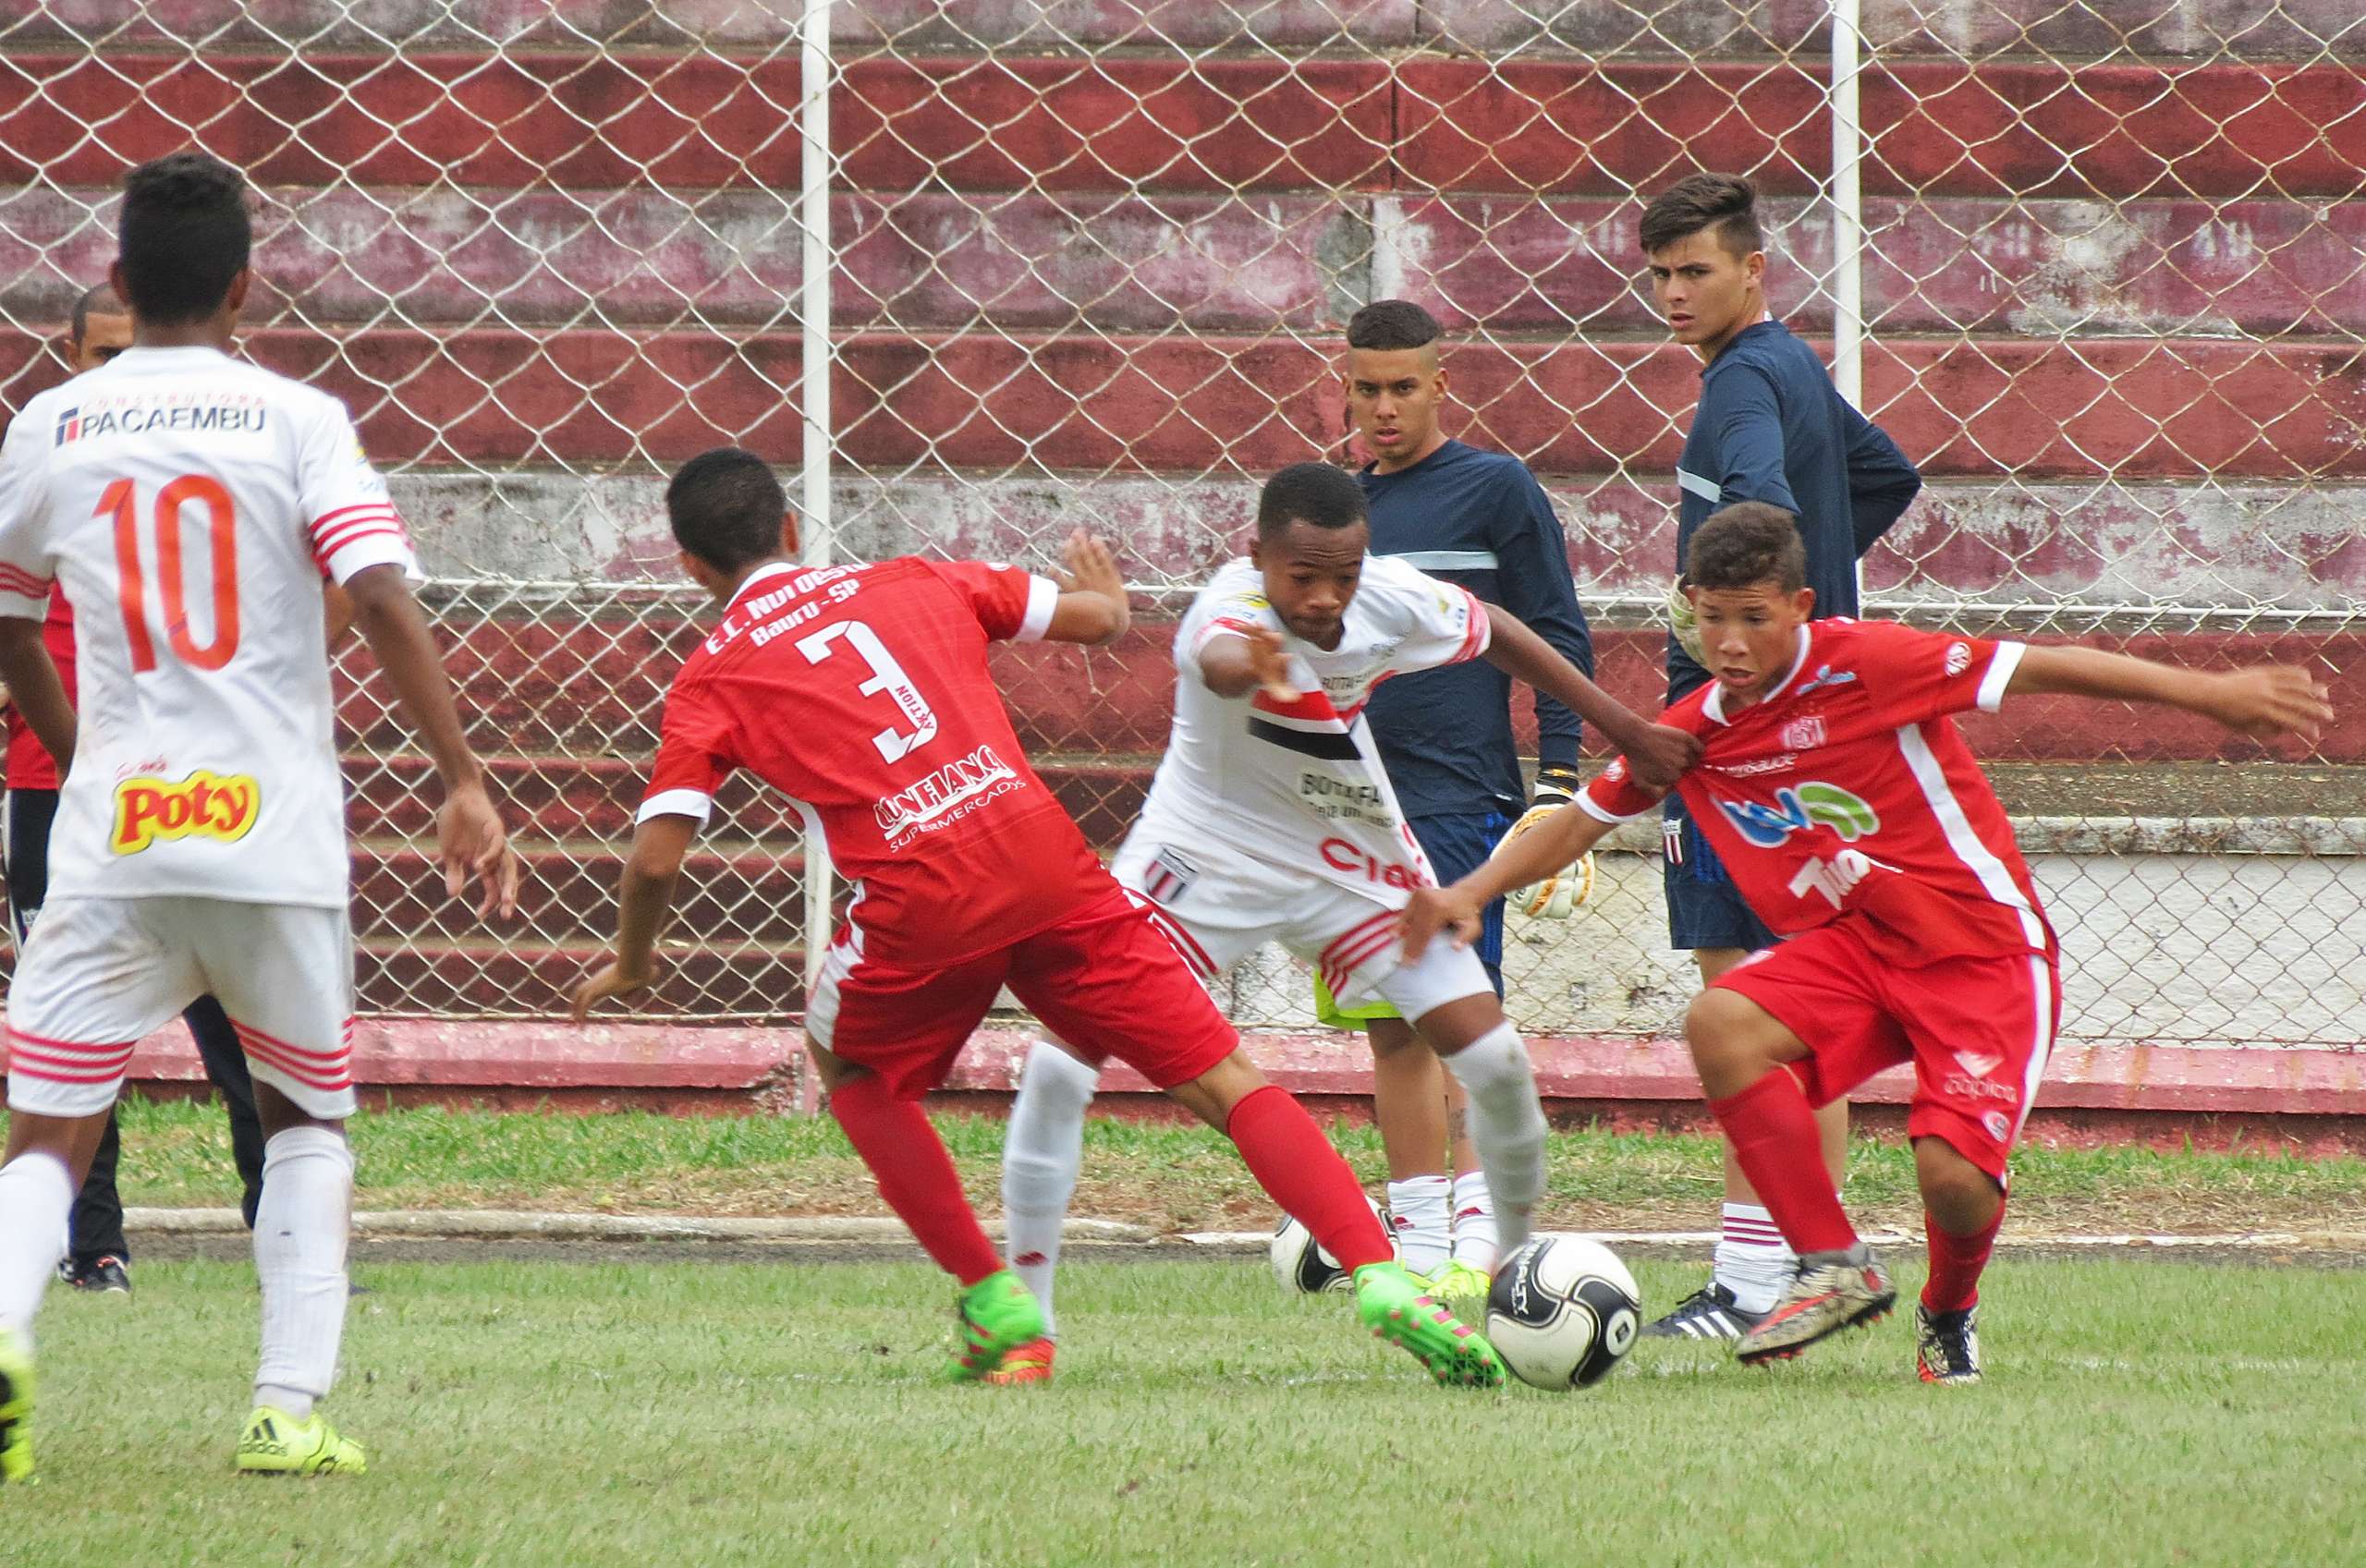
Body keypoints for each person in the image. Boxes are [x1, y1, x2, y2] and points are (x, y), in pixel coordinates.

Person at [570, 448, 1503, 1391]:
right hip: (1044, 862)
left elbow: (655, 858)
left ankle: (995, 1298)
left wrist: (634, 962)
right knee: (1223, 1077)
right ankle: (1381, 1272)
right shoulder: (916, 578)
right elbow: (1096, 619)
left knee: (849, 1067)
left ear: (691, 565)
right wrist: (1110, 601)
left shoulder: (711, 678)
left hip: (921, 898)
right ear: (790, 529)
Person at [1403, 502, 2330, 1382]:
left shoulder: (1869, 663)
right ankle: (1832, 1262)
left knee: (1951, 1177)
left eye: (1754, 618)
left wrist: (2213, 693)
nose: (1730, 642)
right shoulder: (1697, 729)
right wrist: (1470, 891)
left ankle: (1947, 1307)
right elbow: (1580, 821)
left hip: (1981, 949)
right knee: (1721, 1022)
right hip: (1859, 949)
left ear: (1799, 606)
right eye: (1712, 617)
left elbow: (2041, 666)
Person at [0, 152, 519, 1485]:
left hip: (114, 838)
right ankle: (286, 1411)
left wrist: (88, 756)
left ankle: (4, 1330)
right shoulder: (298, 419)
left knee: (49, 1127)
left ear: (118, 279)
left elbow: (8, 622)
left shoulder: (48, 425)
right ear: (244, 288)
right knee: (302, 1117)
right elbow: (382, 594)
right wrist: (462, 776)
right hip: (272, 839)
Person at [994, 462, 1699, 1379]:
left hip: (1345, 854)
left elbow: (1499, 630)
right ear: (1257, 557)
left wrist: (1626, 730)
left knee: (1492, 1060)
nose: (1325, 599)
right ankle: (1030, 1321)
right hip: (1203, 858)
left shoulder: (1389, 598)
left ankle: (1504, 1271)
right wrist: (1255, 664)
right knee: (1061, 1062)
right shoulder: (1226, 614)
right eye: (1302, 578)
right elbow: (1216, 660)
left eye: (1344, 575)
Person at [1636, 173, 1925, 1339]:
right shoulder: (1792, 363)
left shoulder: (1743, 382)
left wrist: (1728, 627)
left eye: (1695, 270)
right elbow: (1888, 476)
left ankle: (1756, 1280)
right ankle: (1801, 1265)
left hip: (1743, 734)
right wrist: (1825, 593)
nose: (1673, 292)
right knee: (1788, 1000)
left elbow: (1755, 503)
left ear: (1753, 269)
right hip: (1809, 728)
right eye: (1659, 274)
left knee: (1746, 1003)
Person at [1289, 298, 1600, 1297]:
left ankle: (1482, 1241)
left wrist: (1559, 779)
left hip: (1462, 795)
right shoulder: (1334, 509)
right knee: (1389, 1027)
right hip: (1354, 805)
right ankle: (1419, 1244)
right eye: (1366, 389)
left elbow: (1554, 629)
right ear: (1343, 389)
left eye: (1403, 387)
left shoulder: (1495, 488)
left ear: (1441, 384)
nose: (1384, 408)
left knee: (1460, 1019)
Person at [3, 283, 270, 1299]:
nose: (122, 373)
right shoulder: (40, 453)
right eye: (100, 355)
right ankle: (92, 1247)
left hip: (198, 782)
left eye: (133, 351)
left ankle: (283, 1228)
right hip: (56, 783)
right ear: (68, 351)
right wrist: (78, 761)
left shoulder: (224, 458)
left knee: (245, 1021)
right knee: (72, 1027)